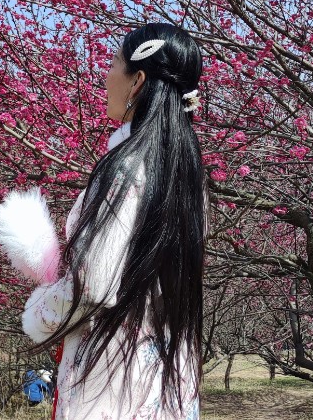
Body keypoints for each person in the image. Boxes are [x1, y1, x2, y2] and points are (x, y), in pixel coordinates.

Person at [20, 23, 207, 420]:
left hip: (112, 385)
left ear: (137, 81)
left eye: (114, 64)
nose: (106, 76)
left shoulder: (125, 170)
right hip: (167, 382)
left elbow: (93, 284)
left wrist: (39, 313)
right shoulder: (188, 181)